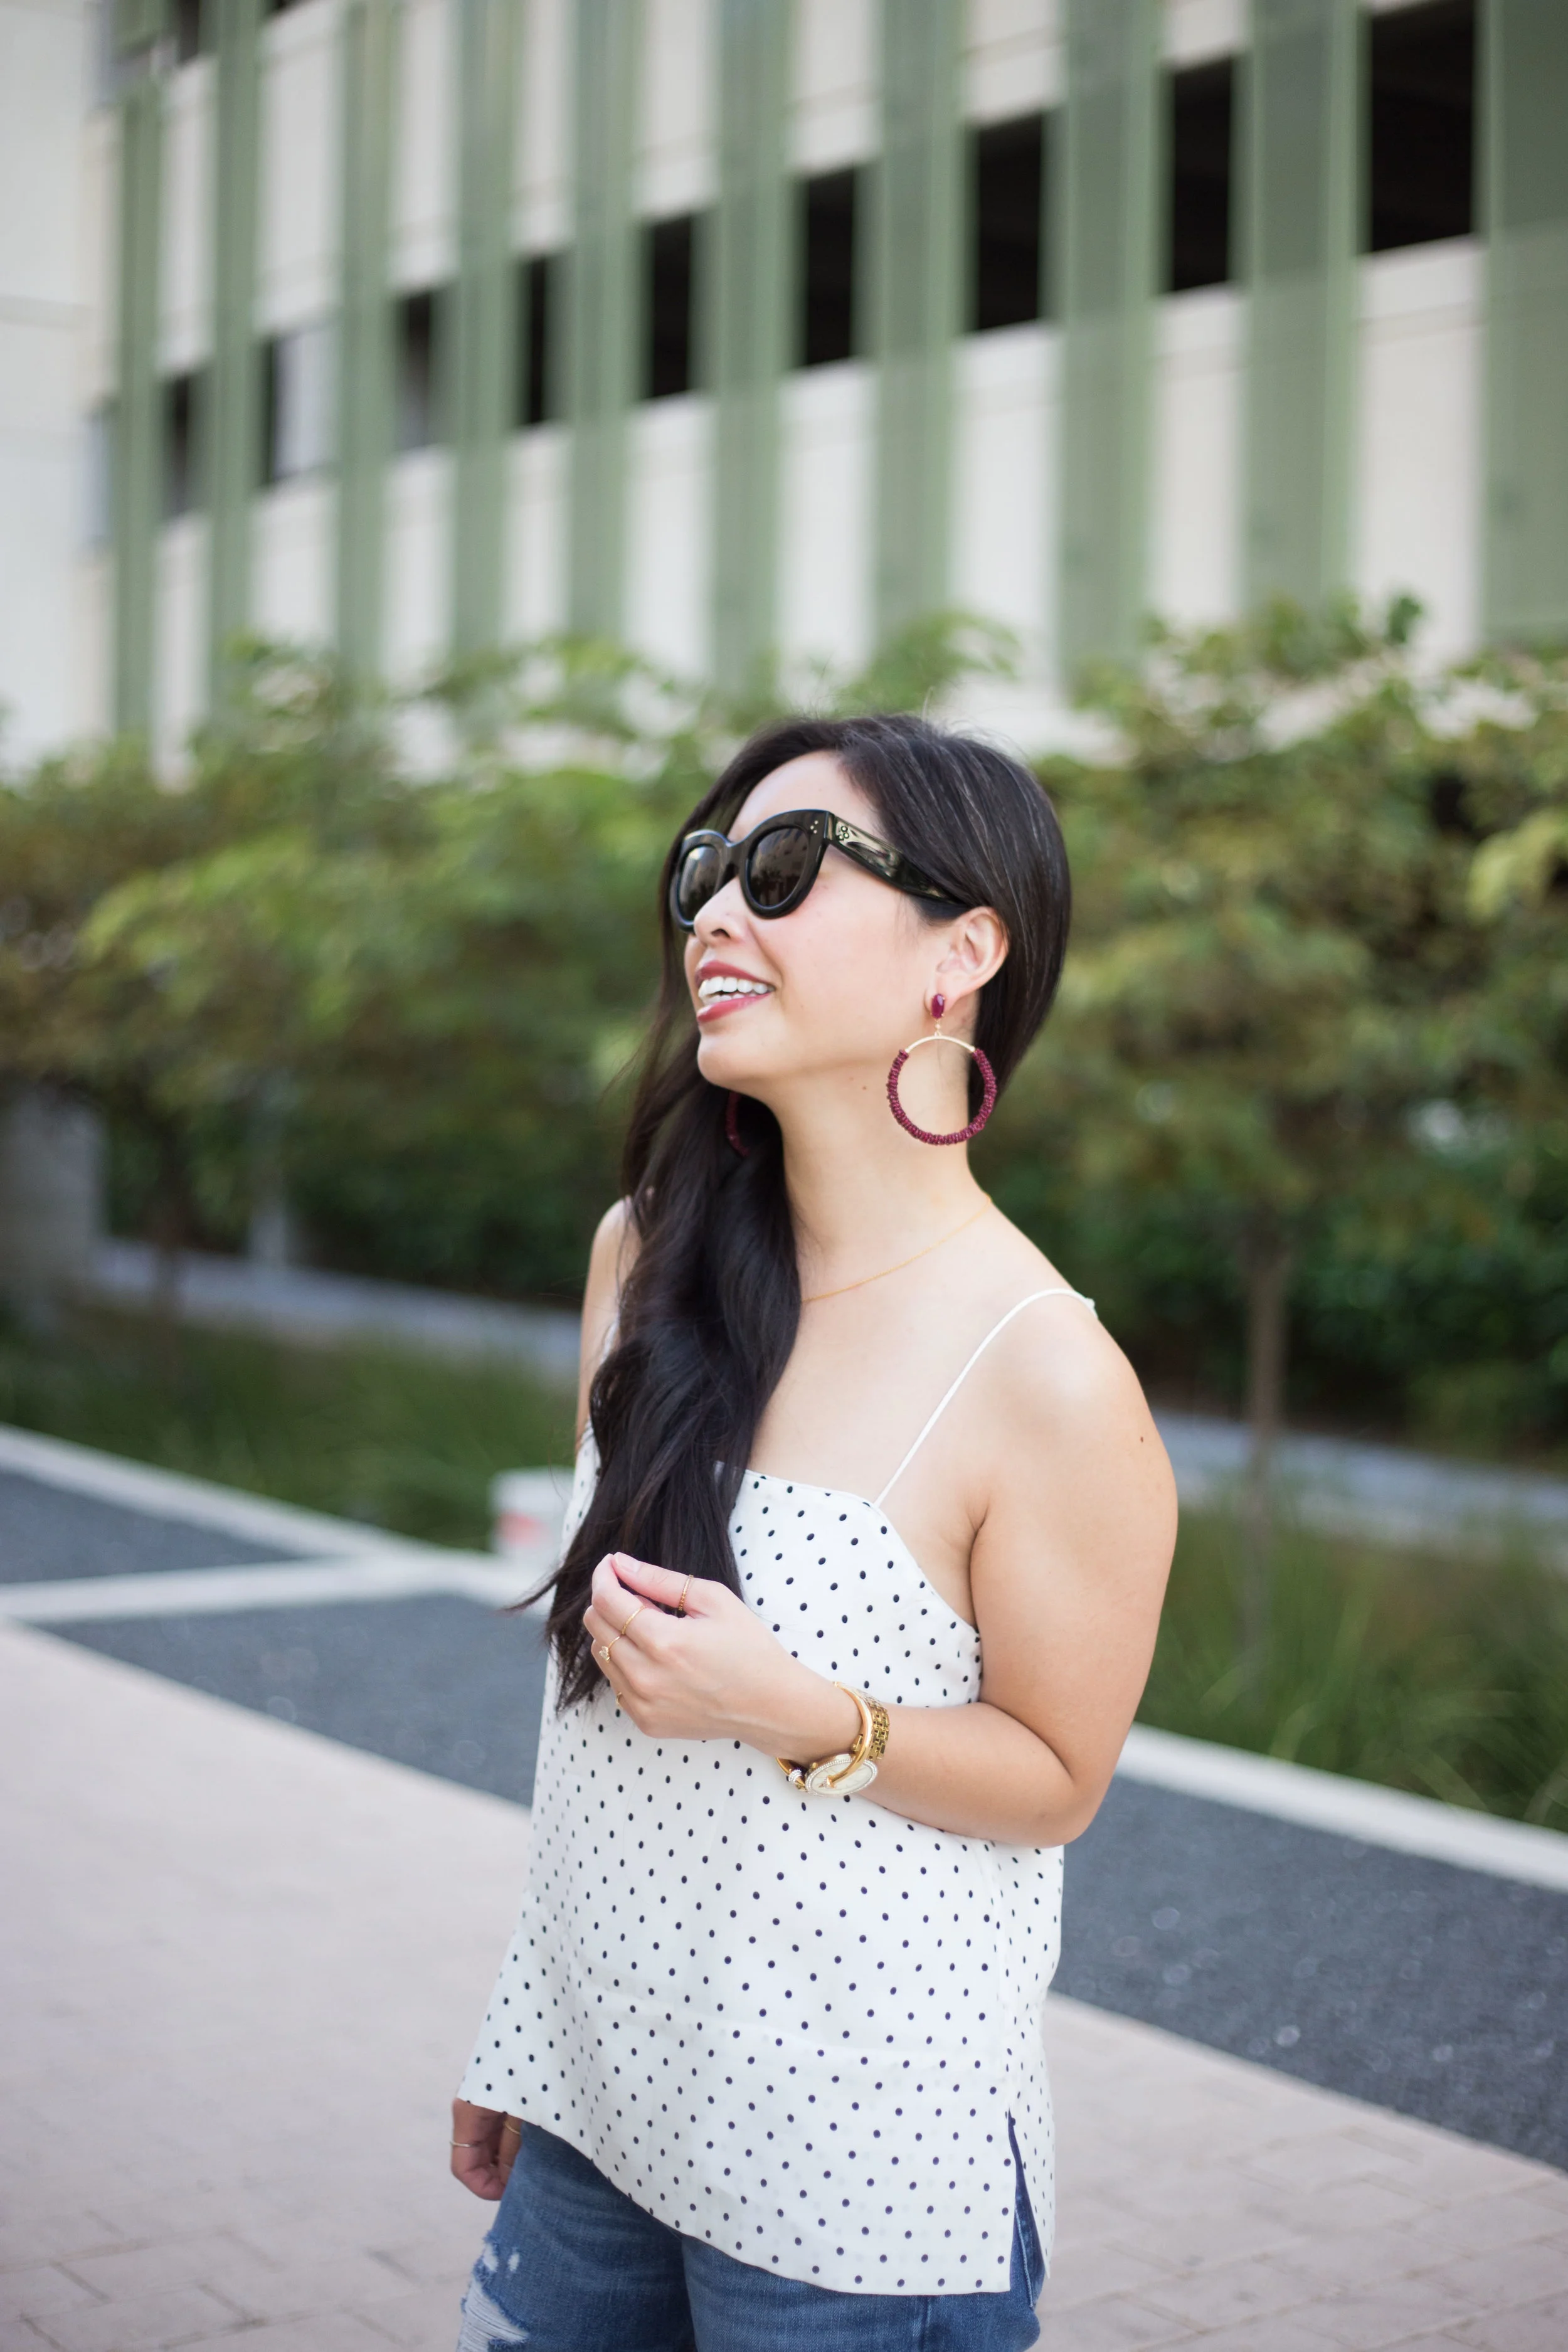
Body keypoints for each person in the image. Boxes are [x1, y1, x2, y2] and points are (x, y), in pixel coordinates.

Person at [450, 713, 1177, 2351]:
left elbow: (1055, 1776)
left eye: (778, 871)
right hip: (598, 2109)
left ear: (963, 949)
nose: (715, 914)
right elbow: (592, 1722)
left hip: (855, 2182)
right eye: (702, 873)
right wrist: (526, 2030)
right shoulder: (643, 1258)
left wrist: (798, 1710)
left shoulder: (1048, 1374)